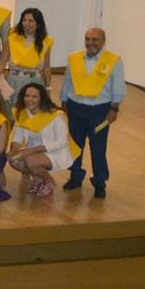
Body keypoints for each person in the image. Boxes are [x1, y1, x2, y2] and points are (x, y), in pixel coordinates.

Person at [61, 27, 122, 198]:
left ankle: (100, 182)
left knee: (98, 147)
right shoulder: (74, 58)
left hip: (100, 110)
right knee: (75, 145)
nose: (91, 43)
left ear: (103, 41)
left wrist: (114, 109)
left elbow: (118, 87)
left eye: (95, 40)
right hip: (76, 107)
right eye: (88, 39)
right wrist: (64, 102)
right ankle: (75, 176)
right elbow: (68, 82)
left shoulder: (113, 61)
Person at [8, 82, 72, 198]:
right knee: (13, 159)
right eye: (27, 96)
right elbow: (18, 135)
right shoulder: (23, 113)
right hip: (32, 151)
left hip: (53, 152)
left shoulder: (56, 116)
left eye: (34, 97)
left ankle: (49, 182)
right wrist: (15, 147)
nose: (29, 100)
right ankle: (38, 177)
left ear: (42, 98)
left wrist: (33, 150)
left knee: (31, 161)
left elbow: (62, 142)